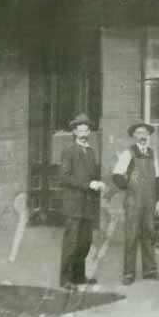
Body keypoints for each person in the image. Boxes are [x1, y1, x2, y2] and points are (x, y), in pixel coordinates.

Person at [112, 122, 159, 285]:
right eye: (139, 133)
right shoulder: (128, 153)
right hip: (133, 201)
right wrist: (128, 183)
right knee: (131, 236)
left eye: (145, 133)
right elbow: (116, 175)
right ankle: (128, 274)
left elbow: (157, 179)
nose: (142, 135)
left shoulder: (152, 154)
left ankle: (150, 270)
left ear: (148, 136)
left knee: (149, 234)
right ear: (134, 136)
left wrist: (158, 201)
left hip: (150, 201)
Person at [59, 113, 105, 291]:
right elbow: (64, 178)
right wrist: (89, 184)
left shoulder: (91, 152)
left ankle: (78, 277)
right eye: (81, 129)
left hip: (88, 205)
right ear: (75, 132)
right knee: (71, 242)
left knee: (85, 242)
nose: (84, 132)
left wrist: (98, 184)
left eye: (87, 129)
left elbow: (92, 176)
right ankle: (65, 279)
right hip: (73, 204)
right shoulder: (69, 151)